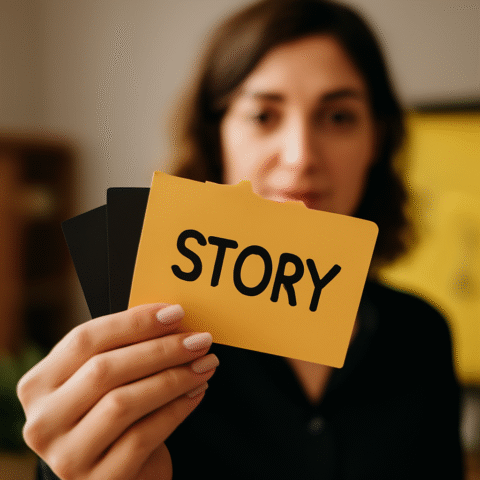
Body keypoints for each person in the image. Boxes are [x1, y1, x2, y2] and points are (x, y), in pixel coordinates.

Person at [17, 0, 464, 478]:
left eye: (338, 117)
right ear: (217, 137)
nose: (300, 156)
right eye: (263, 115)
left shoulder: (422, 335)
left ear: (376, 139)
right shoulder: (136, 345)